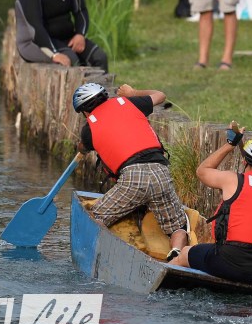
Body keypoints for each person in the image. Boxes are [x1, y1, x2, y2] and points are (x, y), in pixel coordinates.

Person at [72, 82, 189, 261]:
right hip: (160, 171)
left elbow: (84, 146)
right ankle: (177, 251)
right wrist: (133, 93)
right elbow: (160, 95)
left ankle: (104, 252)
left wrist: (81, 146)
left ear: (85, 112)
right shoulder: (129, 103)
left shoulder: (88, 130)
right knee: (177, 225)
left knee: (95, 217)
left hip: (133, 177)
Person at [175, 131, 252, 286]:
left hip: (228, 262)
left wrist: (230, 144)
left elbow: (202, 171)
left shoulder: (233, 180)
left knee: (185, 253)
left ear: (244, 160)